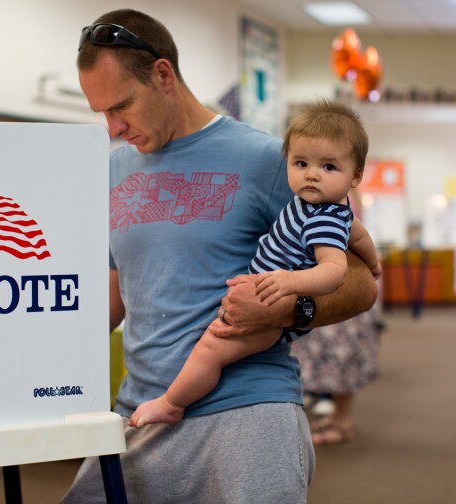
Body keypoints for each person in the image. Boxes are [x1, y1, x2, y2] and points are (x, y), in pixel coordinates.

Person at [63, 9, 377, 504]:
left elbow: (362, 282)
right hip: (142, 409)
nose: (112, 126)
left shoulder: (267, 160)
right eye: (100, 111)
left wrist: (290, 308)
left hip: (247, 407)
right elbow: (117, 294)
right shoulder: (112, 169)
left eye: (121, 106)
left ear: (163, 75)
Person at [129, 100, 381, 428]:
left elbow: (334, 271)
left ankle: (172, 403)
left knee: (211, 348)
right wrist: (374, 263)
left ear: (355, 176)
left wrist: (289, 283)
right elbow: (358, 236)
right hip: (266, 294)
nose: (312, 175)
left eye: (329, 167)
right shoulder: (324, 207)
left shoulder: (324, 221)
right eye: (301, 163)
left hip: (273, 311)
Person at [291, 188, 383, 446]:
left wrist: (373, 265)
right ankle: (338, 417)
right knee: (328, 357)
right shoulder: (336, 195)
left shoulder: (338, 201)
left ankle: (343, 422)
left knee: (341, 357)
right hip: (331, 286)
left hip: (342, 286)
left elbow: (357, 238)